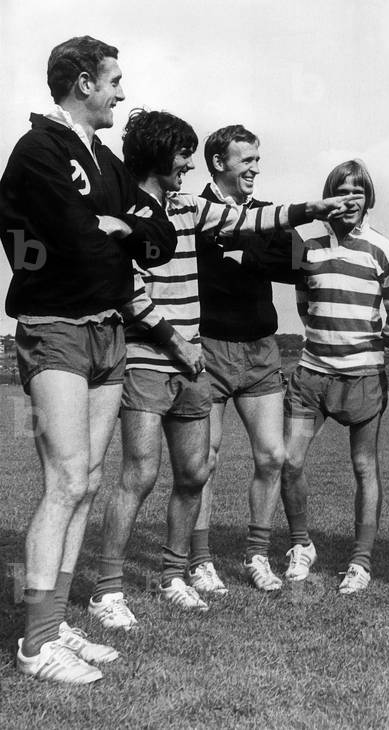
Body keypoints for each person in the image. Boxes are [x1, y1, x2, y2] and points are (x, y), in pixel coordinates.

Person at [87, 109, 350, 630]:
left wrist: (309, 208)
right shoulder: (127, 213)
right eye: (181, 154)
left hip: (190, 362)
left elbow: (249, 222)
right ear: (160, 156)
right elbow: (126, 288)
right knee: (139, 474)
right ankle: (107, 591)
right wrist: (174, 341)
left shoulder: (187, 207)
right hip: (148, 359)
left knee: (194, 473)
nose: (186, 164)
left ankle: (174, 575)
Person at [0, 36, 177, 683]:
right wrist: (108, 230)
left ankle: (55, 623)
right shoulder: (38, 150)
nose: (121, 94)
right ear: (82, 82)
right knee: (67, 479)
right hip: (55, 328)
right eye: (113, 81)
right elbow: (73, 243)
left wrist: (119, 227)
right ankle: (35, 647)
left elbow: (159, 237)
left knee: (92, 479)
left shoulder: (102, 156)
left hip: (108, 330)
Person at [279, 159, 389, 593]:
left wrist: (375, 351)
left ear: (368, 198)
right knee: (290, 460)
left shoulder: (383, 248)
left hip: (363, 379)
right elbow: (303, 302)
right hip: (312, 377)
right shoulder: (305, 244)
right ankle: (301, 545)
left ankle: (361, 561)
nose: (350, 198)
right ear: (329, 197)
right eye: (342, 190)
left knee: (363, 466)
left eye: (358, 191)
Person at [190, 125, 301, 594]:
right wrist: (257, 250)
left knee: (273, 455)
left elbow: (296, 262)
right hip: (208, 348)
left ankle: (257, 553)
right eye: (246, 160)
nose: (255, 168)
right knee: (203, 461)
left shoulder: (268, 215)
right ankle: (200, 561)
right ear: (218, 163)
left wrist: (244, 249)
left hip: (260, 349)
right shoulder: (192, 211)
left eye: (258, 160)